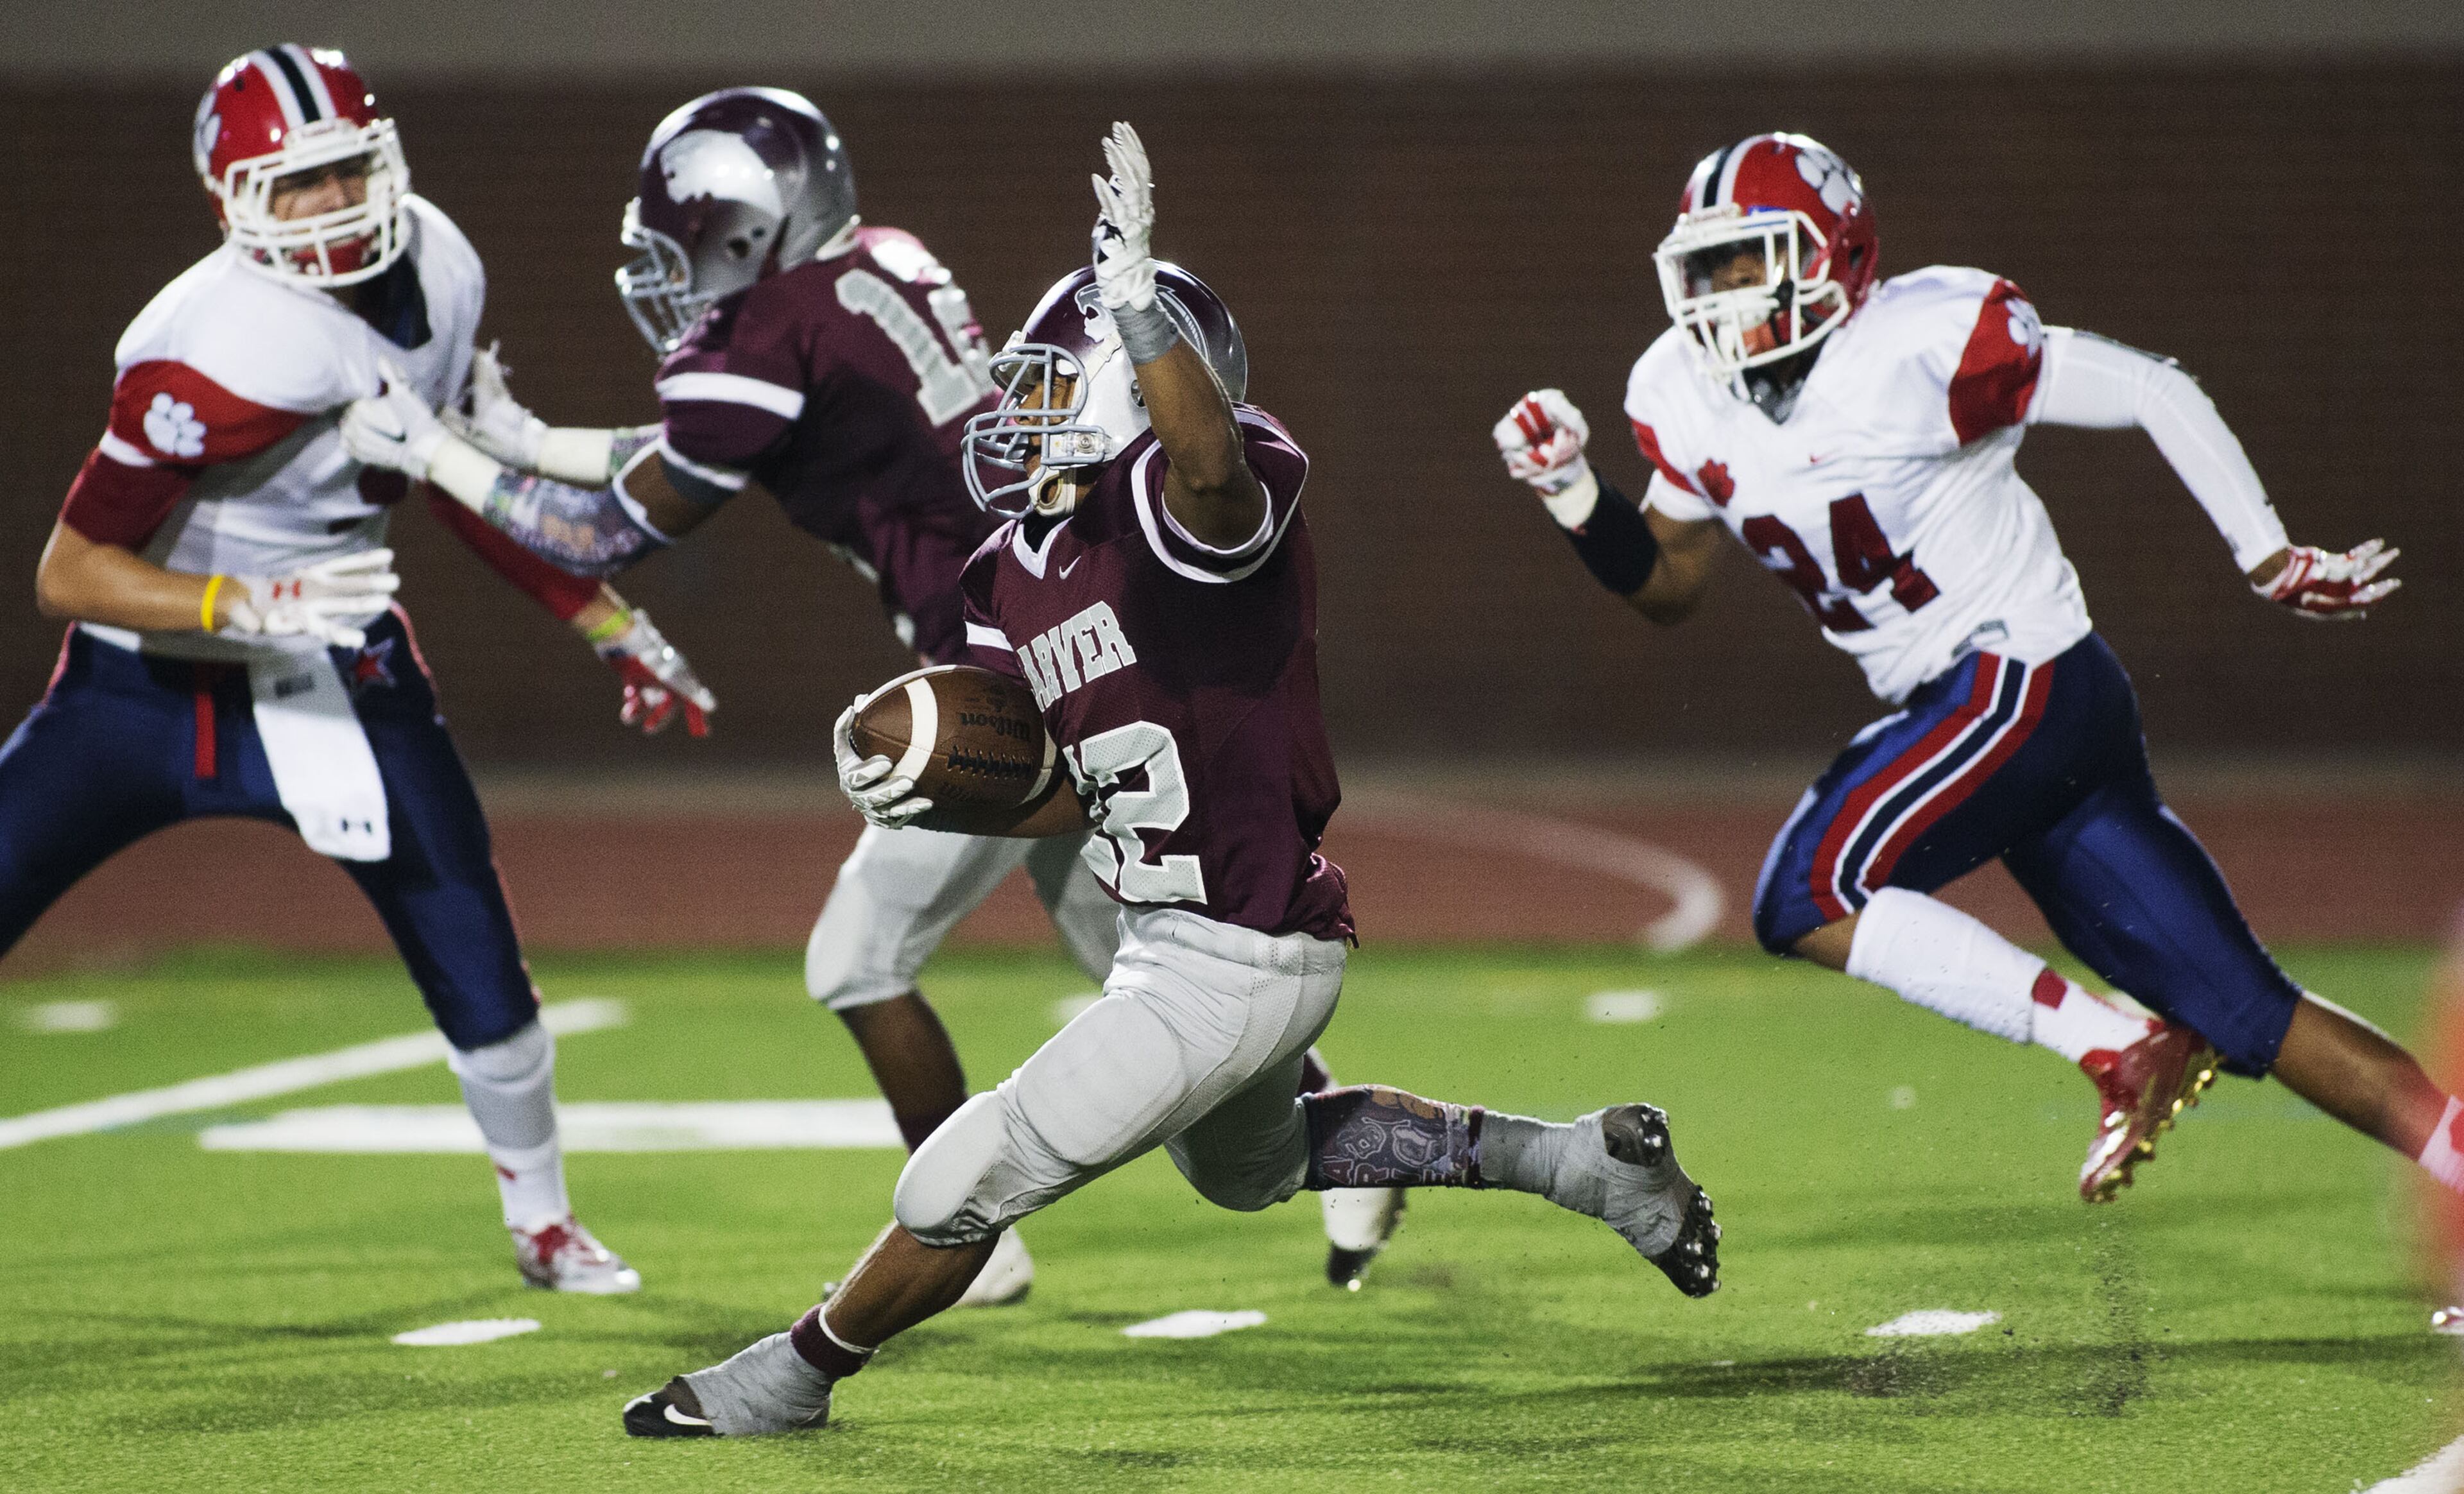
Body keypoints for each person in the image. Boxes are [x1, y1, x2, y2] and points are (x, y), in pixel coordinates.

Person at [341, 89, 1404, 1298]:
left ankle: (980, 1239)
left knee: (859, 956)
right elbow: (702, 443)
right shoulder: (867, 269)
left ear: (748, 227)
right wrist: (516, 438)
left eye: (687, 234)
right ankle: (1352, 1156)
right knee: (1133, 936)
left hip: (1007, 648)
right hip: (1074, 614)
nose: (674, 267)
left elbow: (607, 531)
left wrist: (435, 452)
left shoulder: (768, 334)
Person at [1493, 133, 2456, 1231]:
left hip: (2020, 679)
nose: (1723, 297)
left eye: (1752, 262)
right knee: (2253, 1014)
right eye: (1707, 269)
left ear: (1837, 256)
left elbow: (2149, 387)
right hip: (2013, 712)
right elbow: (1667, 581)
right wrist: (1574, 493)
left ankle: (2111, 1045)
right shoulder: (1682, 392)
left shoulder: (1923, 344)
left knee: (1808, 893)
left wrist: (2267, 552)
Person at [3, 46, 715, 1290]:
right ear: (231, 202)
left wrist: (601, 618)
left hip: (334, 665)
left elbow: (449, 478)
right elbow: (70, 571)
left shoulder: (439, 265)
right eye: (298, 187)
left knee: (473, 942)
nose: (335, 207)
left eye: (346, 173)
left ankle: (543, 1223)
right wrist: (243, 598)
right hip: (139, 686)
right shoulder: (205, 348)